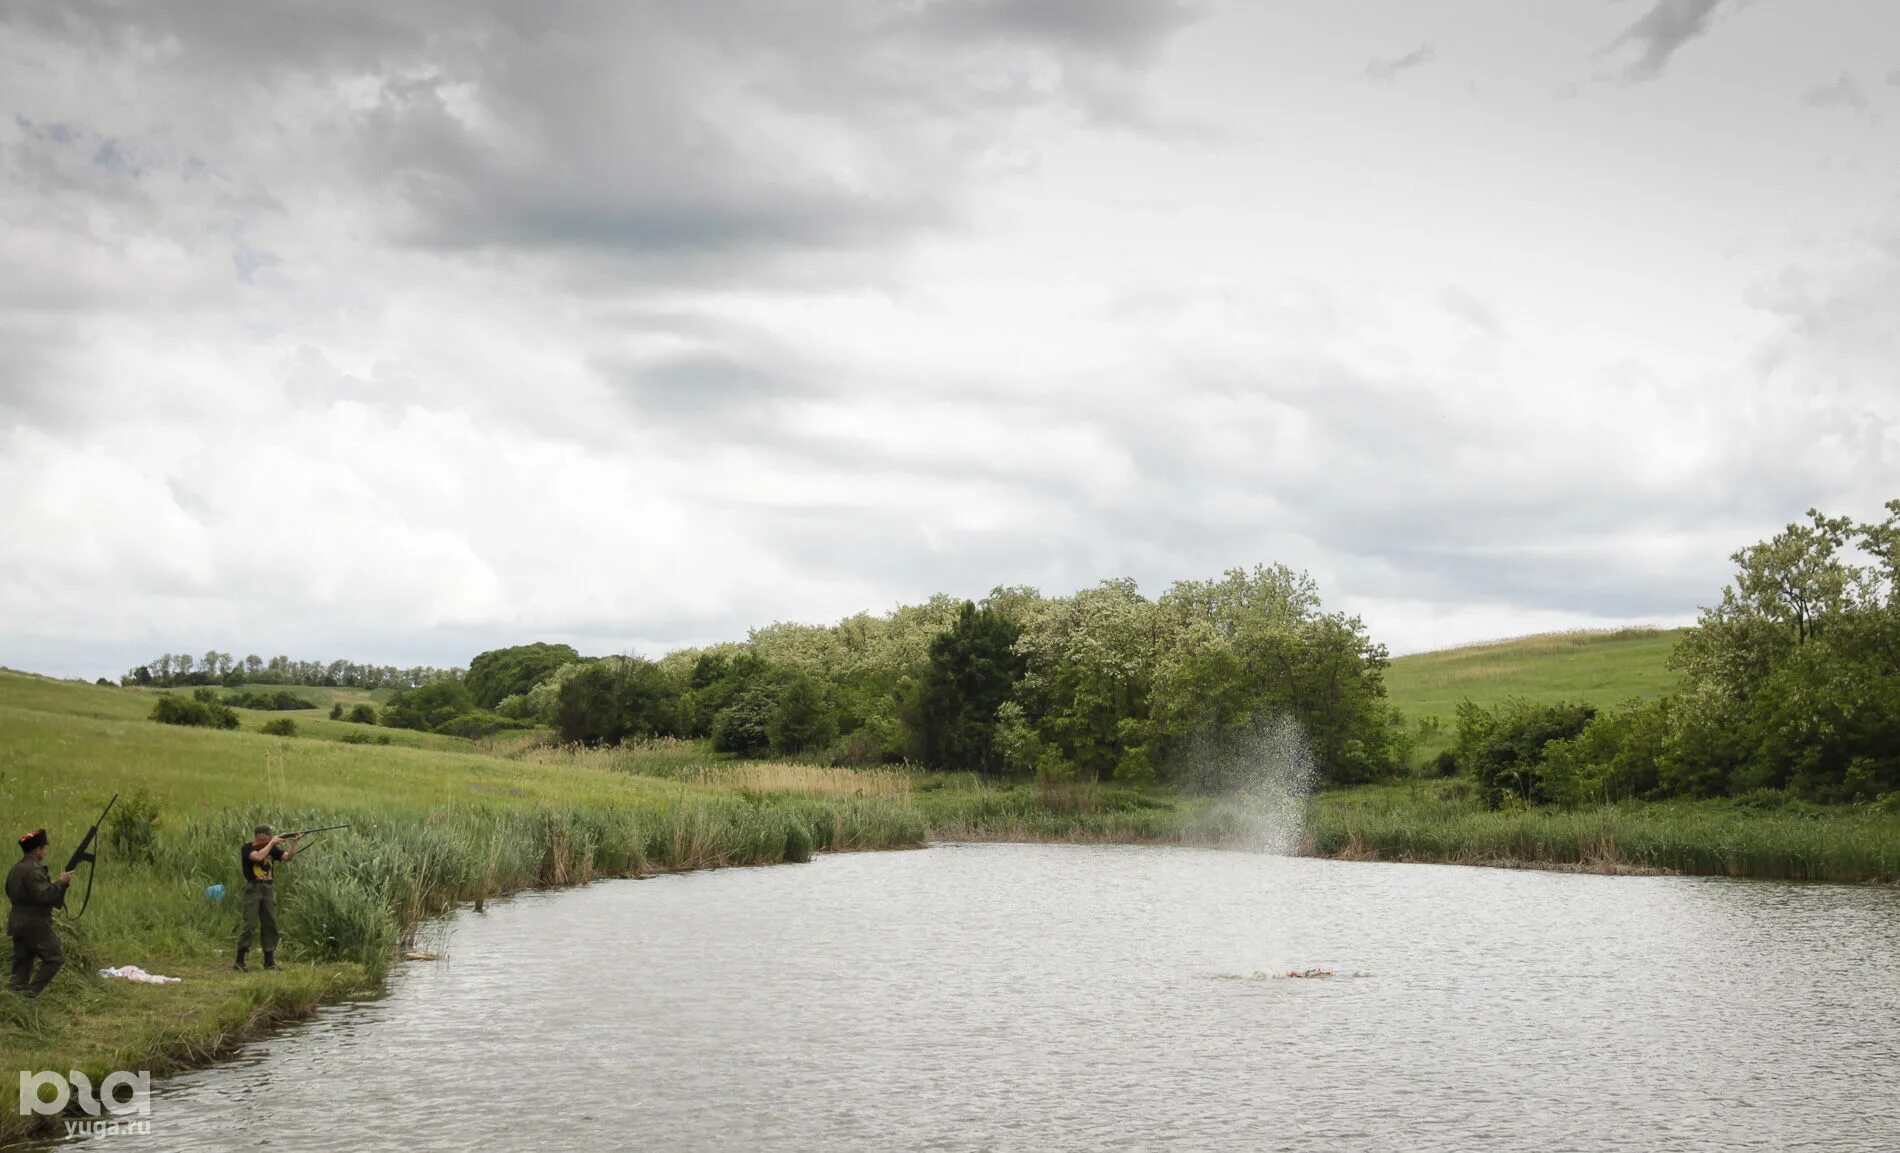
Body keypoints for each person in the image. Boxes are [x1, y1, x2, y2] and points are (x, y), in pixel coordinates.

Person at [8, 829, 76, 998]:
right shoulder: (33, 870)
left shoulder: (17, 868)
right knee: (55, 958)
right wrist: (61, 883)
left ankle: (13, 1001)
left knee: (21, 967)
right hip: (35, 925)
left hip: (17, 922)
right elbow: (44, 895)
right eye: (44, 847)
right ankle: (29, 996)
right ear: (38, 850)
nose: (46, 851)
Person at [236, 824, 302, 972]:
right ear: (259, 836)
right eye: (265, 836)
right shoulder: (247, 848)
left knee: (270, 923)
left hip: (268, 889)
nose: (267, 838)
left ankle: (269, 961)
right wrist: (272, 843)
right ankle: (239, 960)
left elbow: (288, 857)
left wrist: (294, 843)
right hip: (254, 888)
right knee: (250, 925)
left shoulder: (272, 848)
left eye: (268, 836)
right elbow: (258, 857)